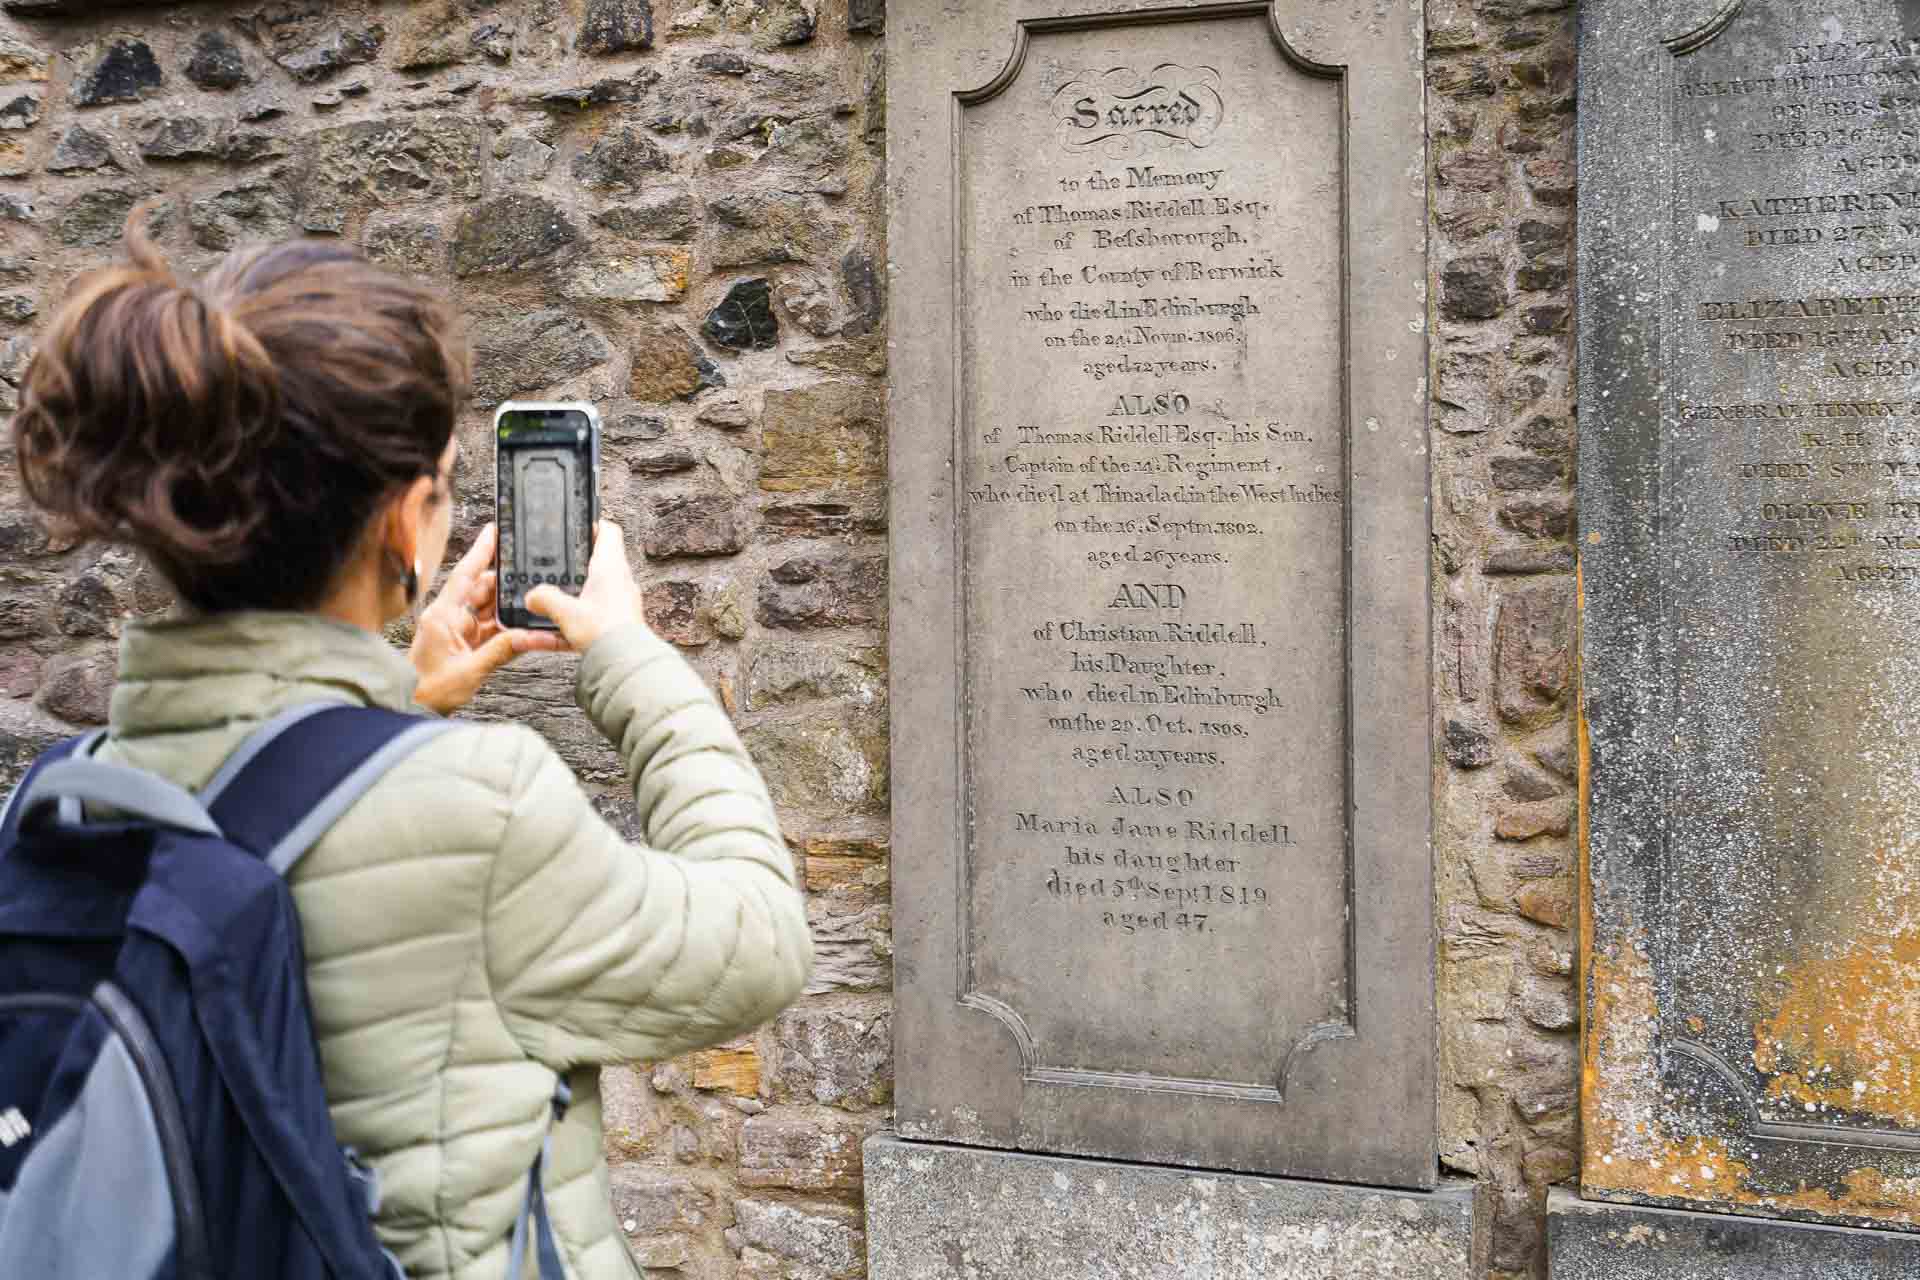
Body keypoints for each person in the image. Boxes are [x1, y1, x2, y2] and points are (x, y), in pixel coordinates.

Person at [7, 215, 813, 1279]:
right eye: (439, 483)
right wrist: (630, 655)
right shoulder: (483, 804)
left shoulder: (62, 796)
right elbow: (758, 938)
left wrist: (397, 703)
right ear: (404, 524)